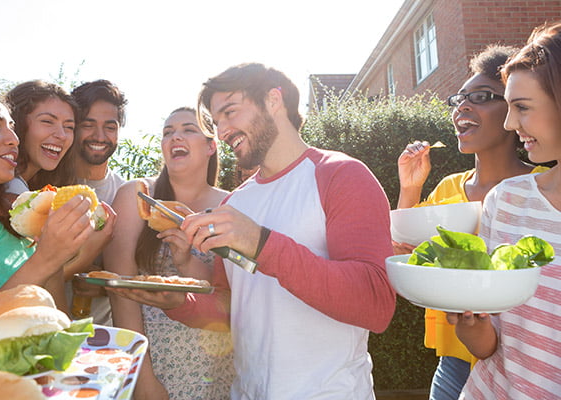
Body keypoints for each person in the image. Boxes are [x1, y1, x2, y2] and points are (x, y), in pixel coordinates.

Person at [109, 63, 396, 399]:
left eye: (230, 112)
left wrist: (261, 243)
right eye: (216, 123)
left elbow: (375, 305)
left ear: (274, 100)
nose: (224, 130)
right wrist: (178, 302)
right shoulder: (236, 202)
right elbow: (233, 305)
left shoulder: (341, 176)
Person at [395, 45, 547, 400]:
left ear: (514, 109)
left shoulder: (545, 188)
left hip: (527, 367)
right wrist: (410, 187)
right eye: (460, 99)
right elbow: (404, 246)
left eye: (480, 96)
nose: (462, 106)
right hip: (455, 367)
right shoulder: (448, 188)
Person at [448, 22, 561, 400]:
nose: (512, 123)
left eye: (523, 108)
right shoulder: (508, 200)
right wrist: (470, 324)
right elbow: (490, 342)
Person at [105, 107, 234, 400]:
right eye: (167, 132)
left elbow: (230, 296)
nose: (176, 136)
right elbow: (120, 291)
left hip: (220, 368)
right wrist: (142, 380)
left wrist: (186, 260)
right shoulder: (137, 195)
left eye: (189, 129)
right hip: (155, 367)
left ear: (211, 146)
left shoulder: (233, 205)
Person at [0, 85, 94, 302]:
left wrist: (53, 256)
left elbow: (58, 326)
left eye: (11, 127)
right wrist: (46, 260)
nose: (14, 139)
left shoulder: (23, 231)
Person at [4, 80, 116, 312]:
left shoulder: (35, 187)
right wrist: (87, 253)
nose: (61, 135)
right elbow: (34, 275)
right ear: (16, 124)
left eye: (69, 126)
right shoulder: (11, 191)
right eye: (47, 122)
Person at [66, 80, 127, 325]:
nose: (100, 136)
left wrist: (106, 287)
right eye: (88, 125)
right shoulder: (47, 187)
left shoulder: (126, 193)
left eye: (109, 127)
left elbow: (141, 274)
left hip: (107, 336)